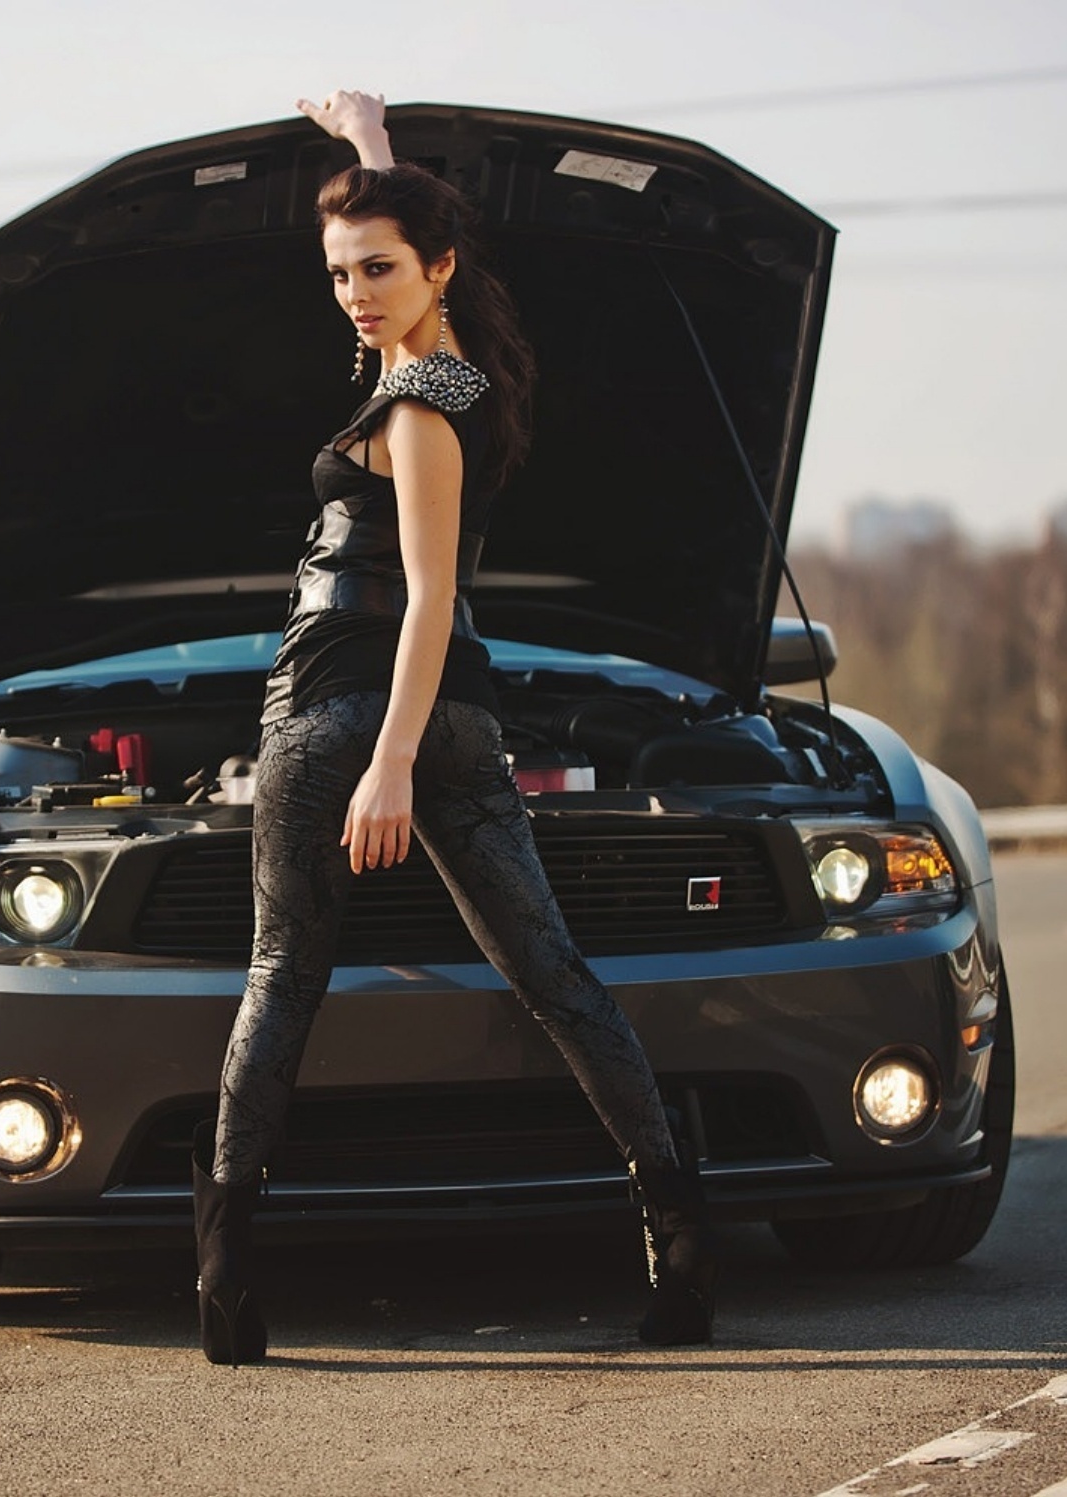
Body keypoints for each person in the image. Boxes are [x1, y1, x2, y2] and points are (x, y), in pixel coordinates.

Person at [190, 90, 719, 1365]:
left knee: (282, 976)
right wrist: (371, 159)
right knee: (552, 976)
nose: (355, 293)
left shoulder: (422, 410)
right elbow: (426, 288)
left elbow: (430, 597)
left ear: (438, 270)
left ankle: (222, 1279)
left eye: (379, 269)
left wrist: (386, 767)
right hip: (444, 716)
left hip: (345, 716)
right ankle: (681, 1251)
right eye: (338, 272)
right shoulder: (445, 366)